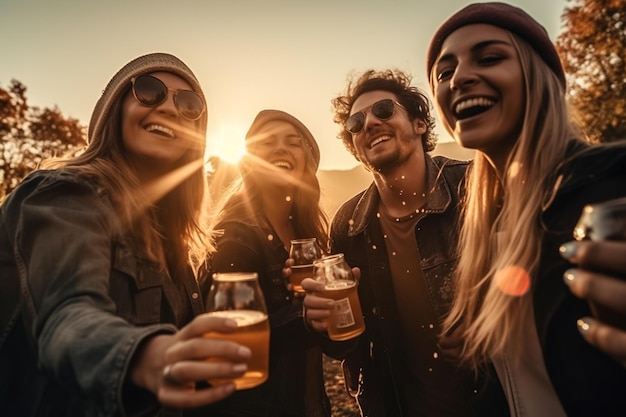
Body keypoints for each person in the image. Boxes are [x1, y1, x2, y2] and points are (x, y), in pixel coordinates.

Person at [0, 52, 252, 416]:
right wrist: (146, 357)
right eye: (149, 91)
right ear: (114, 110)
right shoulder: (66, 194)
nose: (168, 108)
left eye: (189, 105)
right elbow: (68, 316)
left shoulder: (170, 233)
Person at [426, 2, 626, 416]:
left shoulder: (609, 183)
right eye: (445, 72)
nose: (460, 77)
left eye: (491, 57)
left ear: (542, 77)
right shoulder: (489, 222)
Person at [300, 69, 508, 416]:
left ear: (419, 124)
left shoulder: (475, 187)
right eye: (355, 123)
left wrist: (493, 317)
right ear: (354, 146)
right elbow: (346, 344)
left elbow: (534, 281)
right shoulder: (349, 225)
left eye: (383, 110)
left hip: (495, 402)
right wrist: (318, 321)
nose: (368, 124)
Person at [198, 110, 332, 416]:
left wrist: (339, 310)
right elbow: (228, 341)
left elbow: (327, 343)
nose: (281, 148)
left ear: (307, 163)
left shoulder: (305, 236)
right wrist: (305, 317)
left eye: (293, 142)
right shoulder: (235, 237)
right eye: (267, 142)